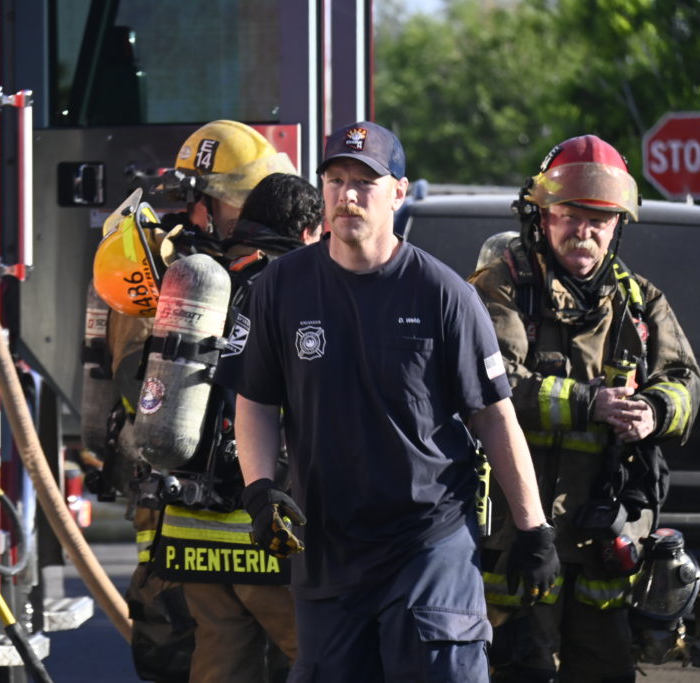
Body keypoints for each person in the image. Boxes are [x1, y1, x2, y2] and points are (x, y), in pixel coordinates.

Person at [216, 120, 558, 681]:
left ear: (398, 192)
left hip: (428, 543)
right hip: (327, 546)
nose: (347, 196)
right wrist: (260, 491)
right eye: (335, 180)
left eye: (364, 182)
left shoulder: (444, 294)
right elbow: (254, 400)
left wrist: (533, 528)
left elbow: (495, 417)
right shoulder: (280, 287)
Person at [468, 134, 700, 682]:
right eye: (571, 215)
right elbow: (490, 384)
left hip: (604, 541)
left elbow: (686, 381)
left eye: (600, 220)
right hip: (519, 537)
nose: (585, 231)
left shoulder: (639, 301)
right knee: (519, 670)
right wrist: (588, 403)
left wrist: (654, 411)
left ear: (617, 225)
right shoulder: (501, 287)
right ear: (542, 216)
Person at [89, 120, 304, 682]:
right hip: (210, 508)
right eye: (241, 201)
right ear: (204, 203)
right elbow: (138, 382)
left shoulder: (204, 271)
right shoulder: (174, 275)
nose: (252, 214)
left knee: (217, 659)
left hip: (194, 523)